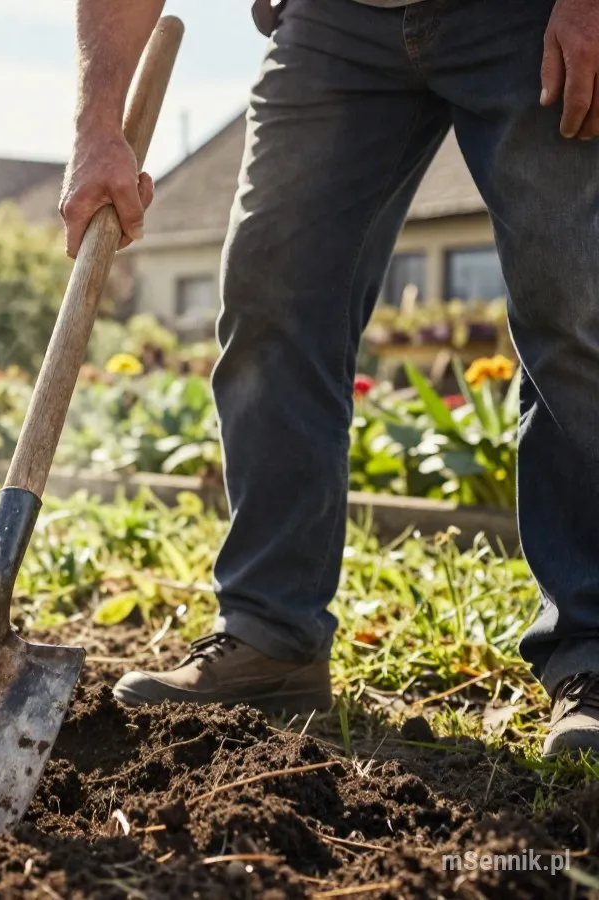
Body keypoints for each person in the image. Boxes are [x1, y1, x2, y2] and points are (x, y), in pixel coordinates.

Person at [59, 0, 599, 757]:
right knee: (271, 300)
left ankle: (594, 654)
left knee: (575, 304)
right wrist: (98, 128)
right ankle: (271, 635)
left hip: (527, 14)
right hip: (337, 20)